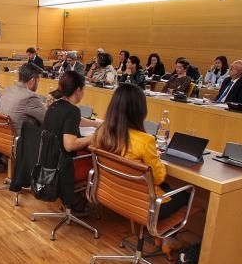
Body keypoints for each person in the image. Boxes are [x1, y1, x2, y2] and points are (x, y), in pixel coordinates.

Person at [92, 83, 190, 222]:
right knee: (187, 195)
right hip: (144, 206)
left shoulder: (101, 131)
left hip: (113, 195)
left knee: (167, 188)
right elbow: (158, 178)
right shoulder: (146, 141)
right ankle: (166, 239)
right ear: (140, 111)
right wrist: (156, 157)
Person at [41, 71, 101, 211]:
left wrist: (95, 124)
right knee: (98, 163)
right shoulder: (72, 110)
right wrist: (94, 137)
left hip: (49, 162)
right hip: (65, 166)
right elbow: (69, 145)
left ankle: (74, 198)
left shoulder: (55, 105)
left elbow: (72, 121)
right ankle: (78, 199)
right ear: (78, 90)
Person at [0, 63, 47, 137]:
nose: (38, 84)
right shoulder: (30, 97)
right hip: (18, 142)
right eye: (38, 81)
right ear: (32, 80)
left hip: (0, 138)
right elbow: (47, 119)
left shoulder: (7, 90)